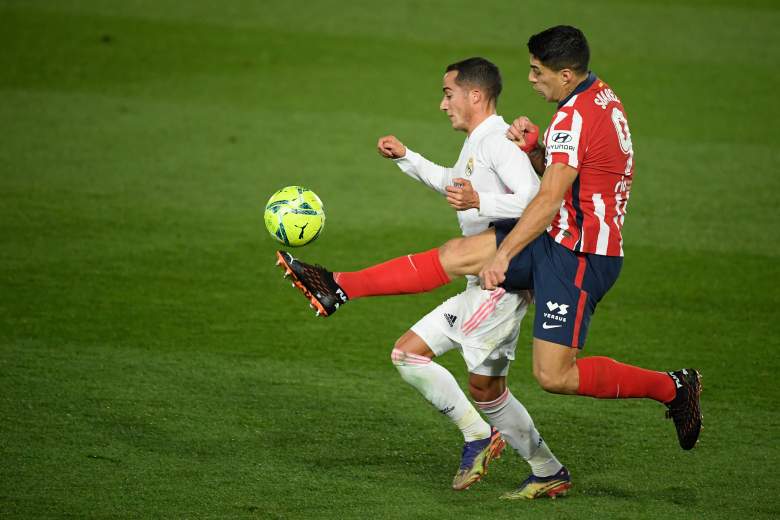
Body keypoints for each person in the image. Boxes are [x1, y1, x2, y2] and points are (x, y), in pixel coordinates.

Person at [275, 25, 702, 465]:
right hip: (563, 237)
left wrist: (504, 253)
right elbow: (568, 172)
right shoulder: (598, 97)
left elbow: (547, 197)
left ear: (568, 74)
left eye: (538, 72)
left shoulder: (572, 118)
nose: (531, 79)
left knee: (553, 375)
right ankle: (338, 286)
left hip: (580, 253)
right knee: (459, 253)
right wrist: (538, 150)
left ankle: (672, 387)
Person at [280, 57, 571, 499]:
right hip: (486, 281)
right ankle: (546, 468)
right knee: (471, 383)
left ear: (475, 95)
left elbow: (537, 201)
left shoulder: (498, 142)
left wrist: (481, 201)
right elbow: (453, 183)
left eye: (448, 93)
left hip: (499, 286)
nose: (442, 104)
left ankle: (340, 286)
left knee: (424, 352)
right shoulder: (480, 141)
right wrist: (408, 157)